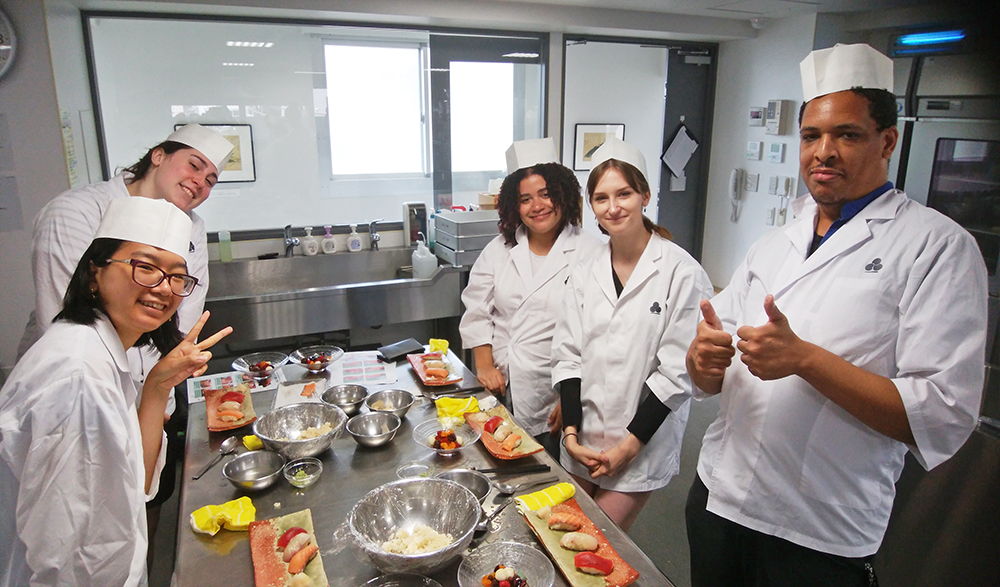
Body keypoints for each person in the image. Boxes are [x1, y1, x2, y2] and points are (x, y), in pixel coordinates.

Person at [684, 43, 987, 586]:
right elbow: (716, 349)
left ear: (887, 141)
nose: (823, 152)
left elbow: (942, 412)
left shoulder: (936, 247)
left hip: (816, 531)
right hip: (719, 496)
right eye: (810, 136)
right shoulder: (777, 242)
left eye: (846, 134)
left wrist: (804, 360)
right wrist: (702, 361)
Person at [0, 197, 232, 586]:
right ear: (95, 272)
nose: (163, 287)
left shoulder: (99, 349)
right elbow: (77, 557)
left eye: (177, 276)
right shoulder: (77, 375)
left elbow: (133, 484)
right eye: (145, 267)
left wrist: (158, 385)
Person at [552, 137, 713, 531]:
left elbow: (677, 372)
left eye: (624, 193)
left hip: (642, 444)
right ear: (591, 206)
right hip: (583, 437)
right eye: (601, 197)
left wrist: (630, 445)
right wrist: (571, 433)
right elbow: (568, 353)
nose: (613, 207)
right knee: (562, 536)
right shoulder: (584, 267)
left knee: (596, 541)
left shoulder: (682, 273)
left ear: (645, 194)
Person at [460, 137, 601, 457]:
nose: (537, 206)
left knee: (547, 473)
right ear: (514, 204)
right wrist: (483, 365)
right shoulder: (499, 250)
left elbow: (598, 335)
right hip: (496, 386)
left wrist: (573, 399)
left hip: (552, 393)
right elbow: (477, 308)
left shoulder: (590, 252)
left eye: (546, 194)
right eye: (525, 198)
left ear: (563, 194)